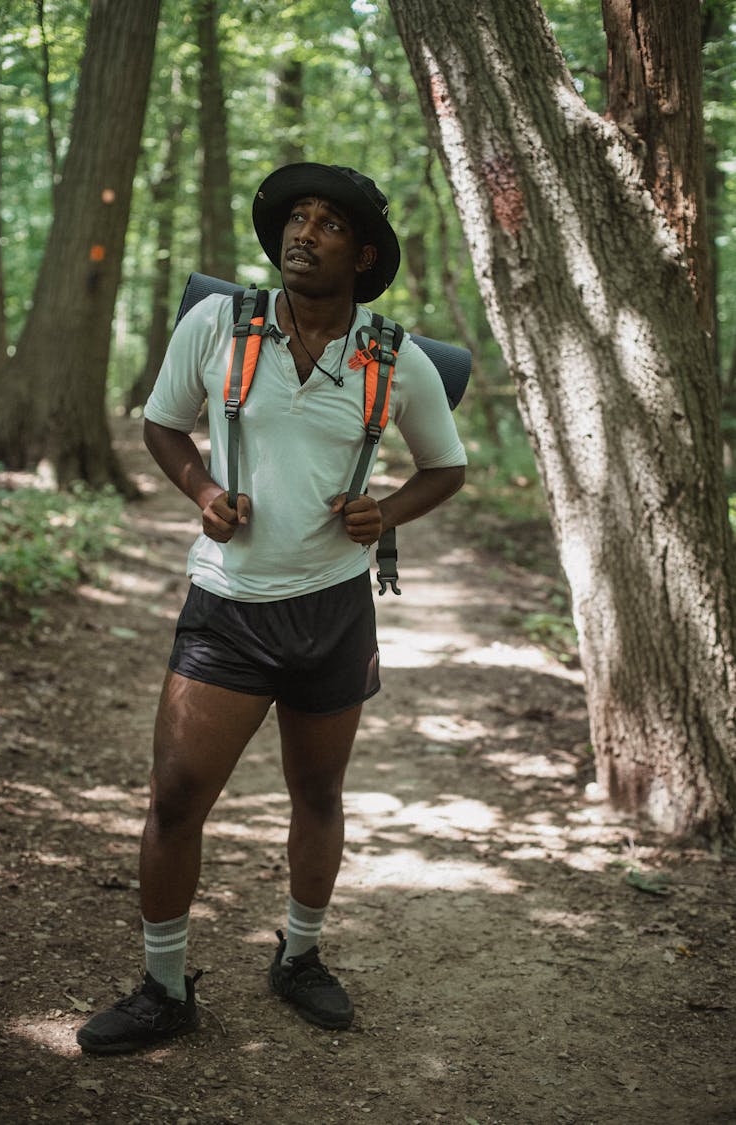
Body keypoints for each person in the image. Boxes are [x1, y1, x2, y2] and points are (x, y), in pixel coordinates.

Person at [77, 162, 466, 1055]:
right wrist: (200, 486)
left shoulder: (393, 355)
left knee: (318, 792)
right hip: (227, 606)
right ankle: (164, 986)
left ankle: (300, 954)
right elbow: (163, 425)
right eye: (298, 217)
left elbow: (446, 468)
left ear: (362, 255)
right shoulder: (217, 323)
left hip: (333, 610)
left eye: (329, 223)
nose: (305, 232)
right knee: (176, 796)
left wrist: (387, 511)